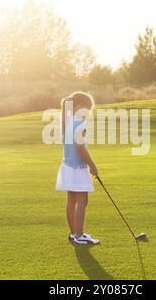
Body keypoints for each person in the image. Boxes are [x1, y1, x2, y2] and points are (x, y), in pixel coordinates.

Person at [56, 91, 100, 245]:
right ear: (80, 106)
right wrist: (93, 166)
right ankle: (80, 235)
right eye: (87, 109)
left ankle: (73, 233)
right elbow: (81, 148)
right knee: (82, 199)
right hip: (77, 167)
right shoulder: (80, 124)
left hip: (67, 166)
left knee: (72, 199)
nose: (88, 113)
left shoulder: (66, 122)